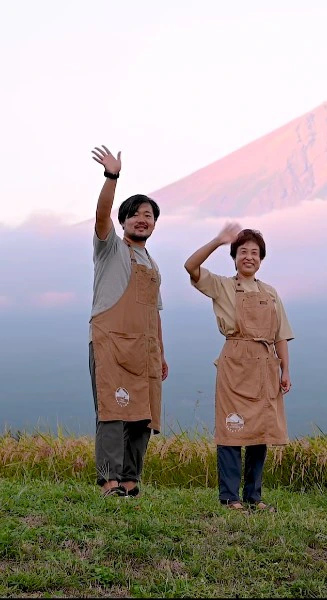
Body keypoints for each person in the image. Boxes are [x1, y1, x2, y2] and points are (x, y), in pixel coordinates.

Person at [185, 223, 294, 511]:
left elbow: (281, 334)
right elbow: (191, 266)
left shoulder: (270, 293)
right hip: (235, 362)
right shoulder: (221, 285)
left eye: (255, 252)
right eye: (243, 251)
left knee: (262, 431)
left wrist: (286, 370)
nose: (249, 257)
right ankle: (229, 497)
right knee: (231, 429)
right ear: (233, 256)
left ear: (262, 258)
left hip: (266, 363)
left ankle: (253, 496)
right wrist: (218, 240)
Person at [89, 145, 168, 498]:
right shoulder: (110, 248)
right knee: (112, 410)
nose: (142, 219)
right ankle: (109, 481)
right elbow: (101, 214)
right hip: (111, 341)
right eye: (135, 214)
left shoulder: (153, 264)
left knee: (143, 415)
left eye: (148, 215)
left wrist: (161, 353)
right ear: (123, 222)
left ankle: (131, 481)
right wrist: (112, 176)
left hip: (146, 347)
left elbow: (155, 312)